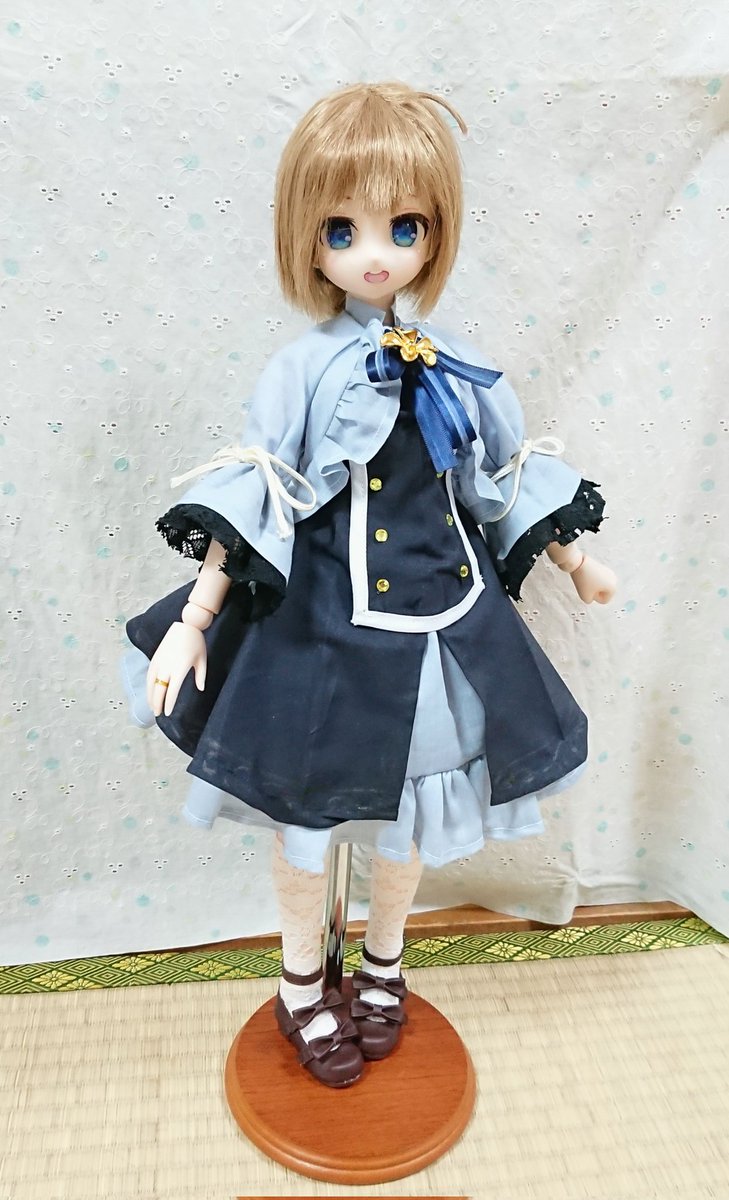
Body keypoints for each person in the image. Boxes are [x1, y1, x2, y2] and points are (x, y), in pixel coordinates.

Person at [123, 81, 617, 1088]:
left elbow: (494, 478)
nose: (376, 253)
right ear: (309, 240)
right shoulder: (302, 370)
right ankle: (302, 980)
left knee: (406, 817)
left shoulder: (457, 364)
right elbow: (263, 489)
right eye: (343, 229)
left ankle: (386, 962)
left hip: (443, 626)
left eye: (405, 226)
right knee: (309, 819)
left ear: (435, 231)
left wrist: (574, 558)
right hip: (321, 630)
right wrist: (198, 618)